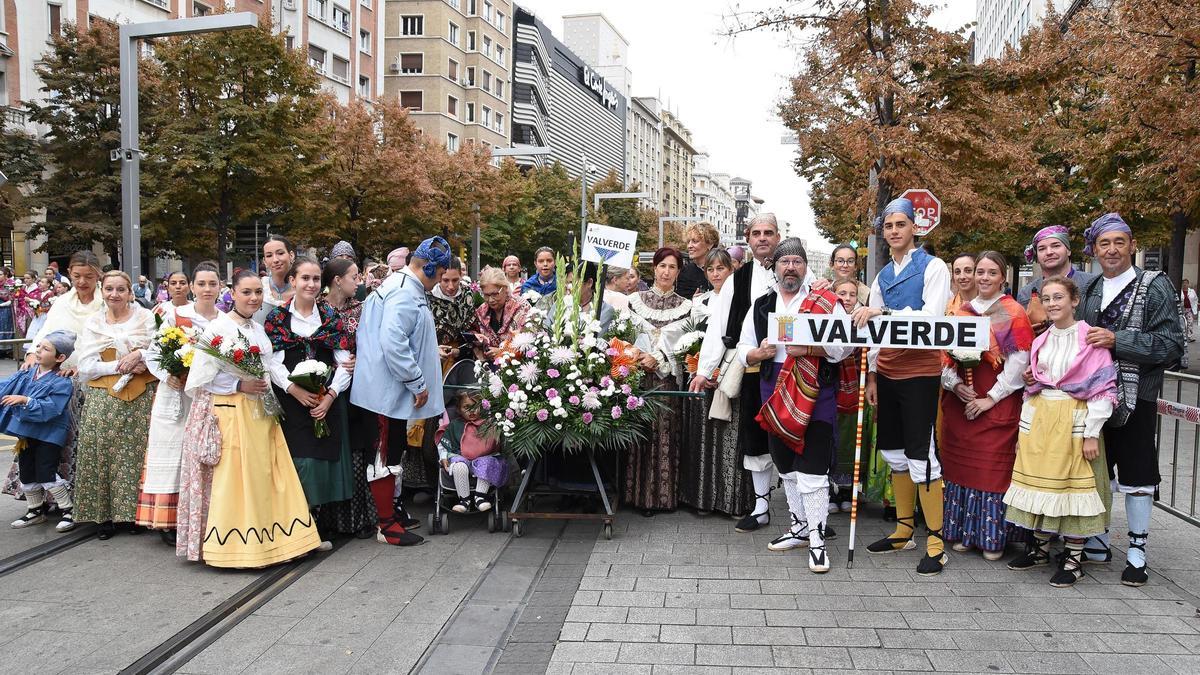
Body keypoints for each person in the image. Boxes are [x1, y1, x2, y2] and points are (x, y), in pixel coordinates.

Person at [183, 269, 322, 568]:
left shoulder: (257, 329)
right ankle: (243, 549)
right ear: (233, 294)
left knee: (270, 476)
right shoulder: (217, 329)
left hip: (262, 409)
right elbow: (202, 379)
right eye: (246, 292)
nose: (253, 297)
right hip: (233, 412)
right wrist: (238, 385)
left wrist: (293, 384)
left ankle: (283, 542)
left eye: (258, 292)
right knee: (240, 480)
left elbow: (269, 365)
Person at [1076, 213, 1184, 586]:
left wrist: (1117, 340)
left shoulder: (1154, 286)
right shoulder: (1089, 290)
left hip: (1138, 397)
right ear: (1094, 249)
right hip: (1094, 396)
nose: (1112, 250)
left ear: (1132, 246)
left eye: (1119, 242)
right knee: (1097, 469)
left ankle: (1137, 550)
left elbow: (1173, 347)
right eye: (1104, 243)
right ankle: (1099, 536)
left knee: (1137, 475)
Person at [853, 197, 952, 576]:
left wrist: (886, 312)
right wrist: (874, 373)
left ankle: (936, 541)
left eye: (900, 225)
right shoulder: (881, 275)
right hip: (889, 373)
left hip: (920, 372)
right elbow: (872, 332)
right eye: (888, 226)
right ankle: (904, 529)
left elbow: (933, 316)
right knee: (894, 453)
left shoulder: (934, 267)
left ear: (915, 228)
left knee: (921, 454)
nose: (894, 231)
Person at [740, 238, 851, 573]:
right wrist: (757, 354)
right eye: (784, 261)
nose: (791, 267)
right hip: (773, 386)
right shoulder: (761, 304)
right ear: (774, 267)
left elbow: (845, 346)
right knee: (786, 465)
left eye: (797, 262)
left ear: (805, 267)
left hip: (815, 387)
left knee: (813, 469)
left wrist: (811, 351)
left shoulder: (826, 301)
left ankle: (817, 541)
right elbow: (744, 348)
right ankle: (800, 526)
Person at [1005, 276, 1116, 587]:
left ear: (1074, 301)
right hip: (1041, 419)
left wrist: (1091, 432)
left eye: (1059, 298)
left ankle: (1073, 558)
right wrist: (1023, 430)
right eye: (1048, 299)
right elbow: (1035, 385)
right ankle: (1040, 549)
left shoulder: (1088, 338)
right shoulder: (1041, 340)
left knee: (1072, 487)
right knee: (1042, 485)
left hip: (1075, 418)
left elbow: (1103, 388)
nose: (1053, 304)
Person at [351, 236, 454, 546]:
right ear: (431, 269)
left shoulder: (401, 288)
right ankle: (387, 526)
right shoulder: (404, 295)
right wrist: (417, 382)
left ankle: (390, 517)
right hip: (385, 391)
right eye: (440, 274)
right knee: (384, 455)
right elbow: (394, 342)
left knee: (390, 451)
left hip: (388, 390)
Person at [691, 214, 783, 533]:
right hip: (754, 369)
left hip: (794, 370)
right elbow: (717, 327)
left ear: (778, 235)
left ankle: (809, 515)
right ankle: (760, 508)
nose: (762, 238)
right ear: (748, 238)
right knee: (755, 436)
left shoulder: (799, 270)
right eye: (756, 233)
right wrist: (705, 369)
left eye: (768, 232)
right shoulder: (736, 280)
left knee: (798, 438)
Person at [939, 252, 1033, 561]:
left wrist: (989, 398)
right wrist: (956, 385)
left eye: (991, 272)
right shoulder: (961, 312)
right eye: (980, 271)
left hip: (996, 403)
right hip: (962, 402)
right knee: (960, 471)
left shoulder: (1011, 312)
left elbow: (1018, 363)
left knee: (991, 473)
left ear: (1003, 277)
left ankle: (992, 538)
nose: (983, 277)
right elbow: (944, 356)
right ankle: (966, 532)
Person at [264, 256, 356, 549]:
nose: (311, 284)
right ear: (292, 280)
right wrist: (294, 390)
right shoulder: (277, 319)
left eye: (316, 279)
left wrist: (329, 397)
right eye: (305, 278)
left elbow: (344, 364)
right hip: (291, 403)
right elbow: (273, 364)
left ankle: (312, 524)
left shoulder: (330, 319)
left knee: (318, 464)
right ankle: (296, 527)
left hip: (323, 402)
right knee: (298, 463)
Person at [4, 252, 105, 502]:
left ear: (98, 276)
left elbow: (107, 341)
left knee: (83, 441)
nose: (82, 282)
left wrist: (84, 365)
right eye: (77, 276)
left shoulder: (107, 301)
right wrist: (31, 355)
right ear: (69, 274)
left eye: (89, 276)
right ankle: (42, 499)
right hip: (56, 378)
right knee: (43, 440)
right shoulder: (61, 302)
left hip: (92, 380)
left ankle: (82, 499)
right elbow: (47, 333)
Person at [136, 263, 221, 546]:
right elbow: (153, 352)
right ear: (193, 287)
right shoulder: (172, 315)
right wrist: (169, 374)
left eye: (212, 283)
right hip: (175, 394)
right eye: (202, 284)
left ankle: (202, 514)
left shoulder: (224, 320)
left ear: (220, 287)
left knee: (201, 454)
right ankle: (168, 520)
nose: (207, 289)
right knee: (172, 456)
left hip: (207, 396)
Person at [73, 270, 158, 540]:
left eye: (121, 289)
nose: (115, 294)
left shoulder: (146, 319)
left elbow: (159, 352)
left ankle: (134, 515)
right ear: (102, 291)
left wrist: (141, 354)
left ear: (130, 292)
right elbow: (85, 367)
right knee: (102, 455)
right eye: (109, 289)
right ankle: (104, 516)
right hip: (103, 396)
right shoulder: (93, 323)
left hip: (141, 394)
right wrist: (120, 365)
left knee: (135, 456)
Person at [679, 248, 753, 517]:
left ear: (730, 270)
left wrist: (710, 368)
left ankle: (733, 500)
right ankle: (703, 497)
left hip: (728, 372)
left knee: (730, 436)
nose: (715, 274)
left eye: (721, 268)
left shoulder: (737, 295)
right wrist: (698, 365)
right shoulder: (702, 301)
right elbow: (691, 336)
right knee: (704, 438)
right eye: (710, 269)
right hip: (702, 373)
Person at [625, 248, 693, 516]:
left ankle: (664, 497)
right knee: (638, 432)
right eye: (662, 266)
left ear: (678, 272)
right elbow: (622, 335)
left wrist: (661, 358)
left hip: (666, 380)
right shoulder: (634, 300)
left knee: (665, 433)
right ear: (654, 268)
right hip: (636, 376)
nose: (666, 272)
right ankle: (637, 496)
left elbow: (687, 347)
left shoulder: (687, 307)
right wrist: (635, 355)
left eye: (672, 267)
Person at [321, 258, 379, 540]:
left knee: (361, 449)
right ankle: (333, 518)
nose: (359, 282)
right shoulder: (319, 309)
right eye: (355, 277)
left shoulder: (363, 308)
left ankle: (361, 517)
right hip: (329, 390)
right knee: (335, 450)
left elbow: (376, 342)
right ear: (337, 280)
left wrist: (363, 361)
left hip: (362, 389)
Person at [3, 331, 78, 532]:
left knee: (46, 471)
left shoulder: (62, 381)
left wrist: (26, 400)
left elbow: (53, 408)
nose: (38, 351)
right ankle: (35, 510)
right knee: (27, 471)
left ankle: (68, 510)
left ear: (60, 358)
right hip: (28, 433)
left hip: (50, 434)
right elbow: (5, 386)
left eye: (46, 349)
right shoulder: (28, 372)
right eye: (39, 346)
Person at [1016, 225, 1097, 333]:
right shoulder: (1026, 293)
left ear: (1068, 251)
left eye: (1056, 246)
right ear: (1037, 256)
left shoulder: (1093, 284)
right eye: (1042, 249)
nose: (1049, 252)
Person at [437, 391, 506, 513]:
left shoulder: (488, 424)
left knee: (488, 463)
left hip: (483, 458)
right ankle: (464, 500)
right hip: (460, 457)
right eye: (466, 407)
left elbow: (496, 445)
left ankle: (480, 497)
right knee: (459, 466)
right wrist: (443, 457)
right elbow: (444, 444)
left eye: (476, 406)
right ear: (458, 409)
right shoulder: (454, 425)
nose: (472, 411)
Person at [428, 257, 478, 373]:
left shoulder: (467, 294)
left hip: (461, 358)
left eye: (455, 280)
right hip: (431, 357)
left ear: (461, 276)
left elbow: (472, 329)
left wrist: (459, 350)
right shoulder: (428, 296)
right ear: (439, 277)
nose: (450, 286)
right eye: (445, 280)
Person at [475, 267, 531, 360]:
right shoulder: (482, 311)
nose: (491, 300)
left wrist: (502, 352)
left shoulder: (521, 307)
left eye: (495, 294)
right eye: (486, 295)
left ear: (505, 288)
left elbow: (529, 343)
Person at [256, 235, 296, 322]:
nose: (275, 260)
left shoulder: (305, 288)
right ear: (265, 261)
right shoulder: (257, 288)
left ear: (291, 255)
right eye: (269, 255)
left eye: (280, 253)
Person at [677, 222, 719, 299]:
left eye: (695, 241)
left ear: (710, 244)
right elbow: (681, 303)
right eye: (688, 242)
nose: (689, 246)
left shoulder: (724, 270)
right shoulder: (685, 272)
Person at [24, 277, 53, 344]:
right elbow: (37, 304)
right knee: (33, 331)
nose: (40, 283)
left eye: (42, 282)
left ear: (48, 284)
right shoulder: (39, 293)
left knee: (42, 331)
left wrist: (32, 301)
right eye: (39, 282)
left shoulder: (50, 293)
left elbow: (48, 306)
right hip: (38, 315)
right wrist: (33, 305)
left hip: (45, 316)